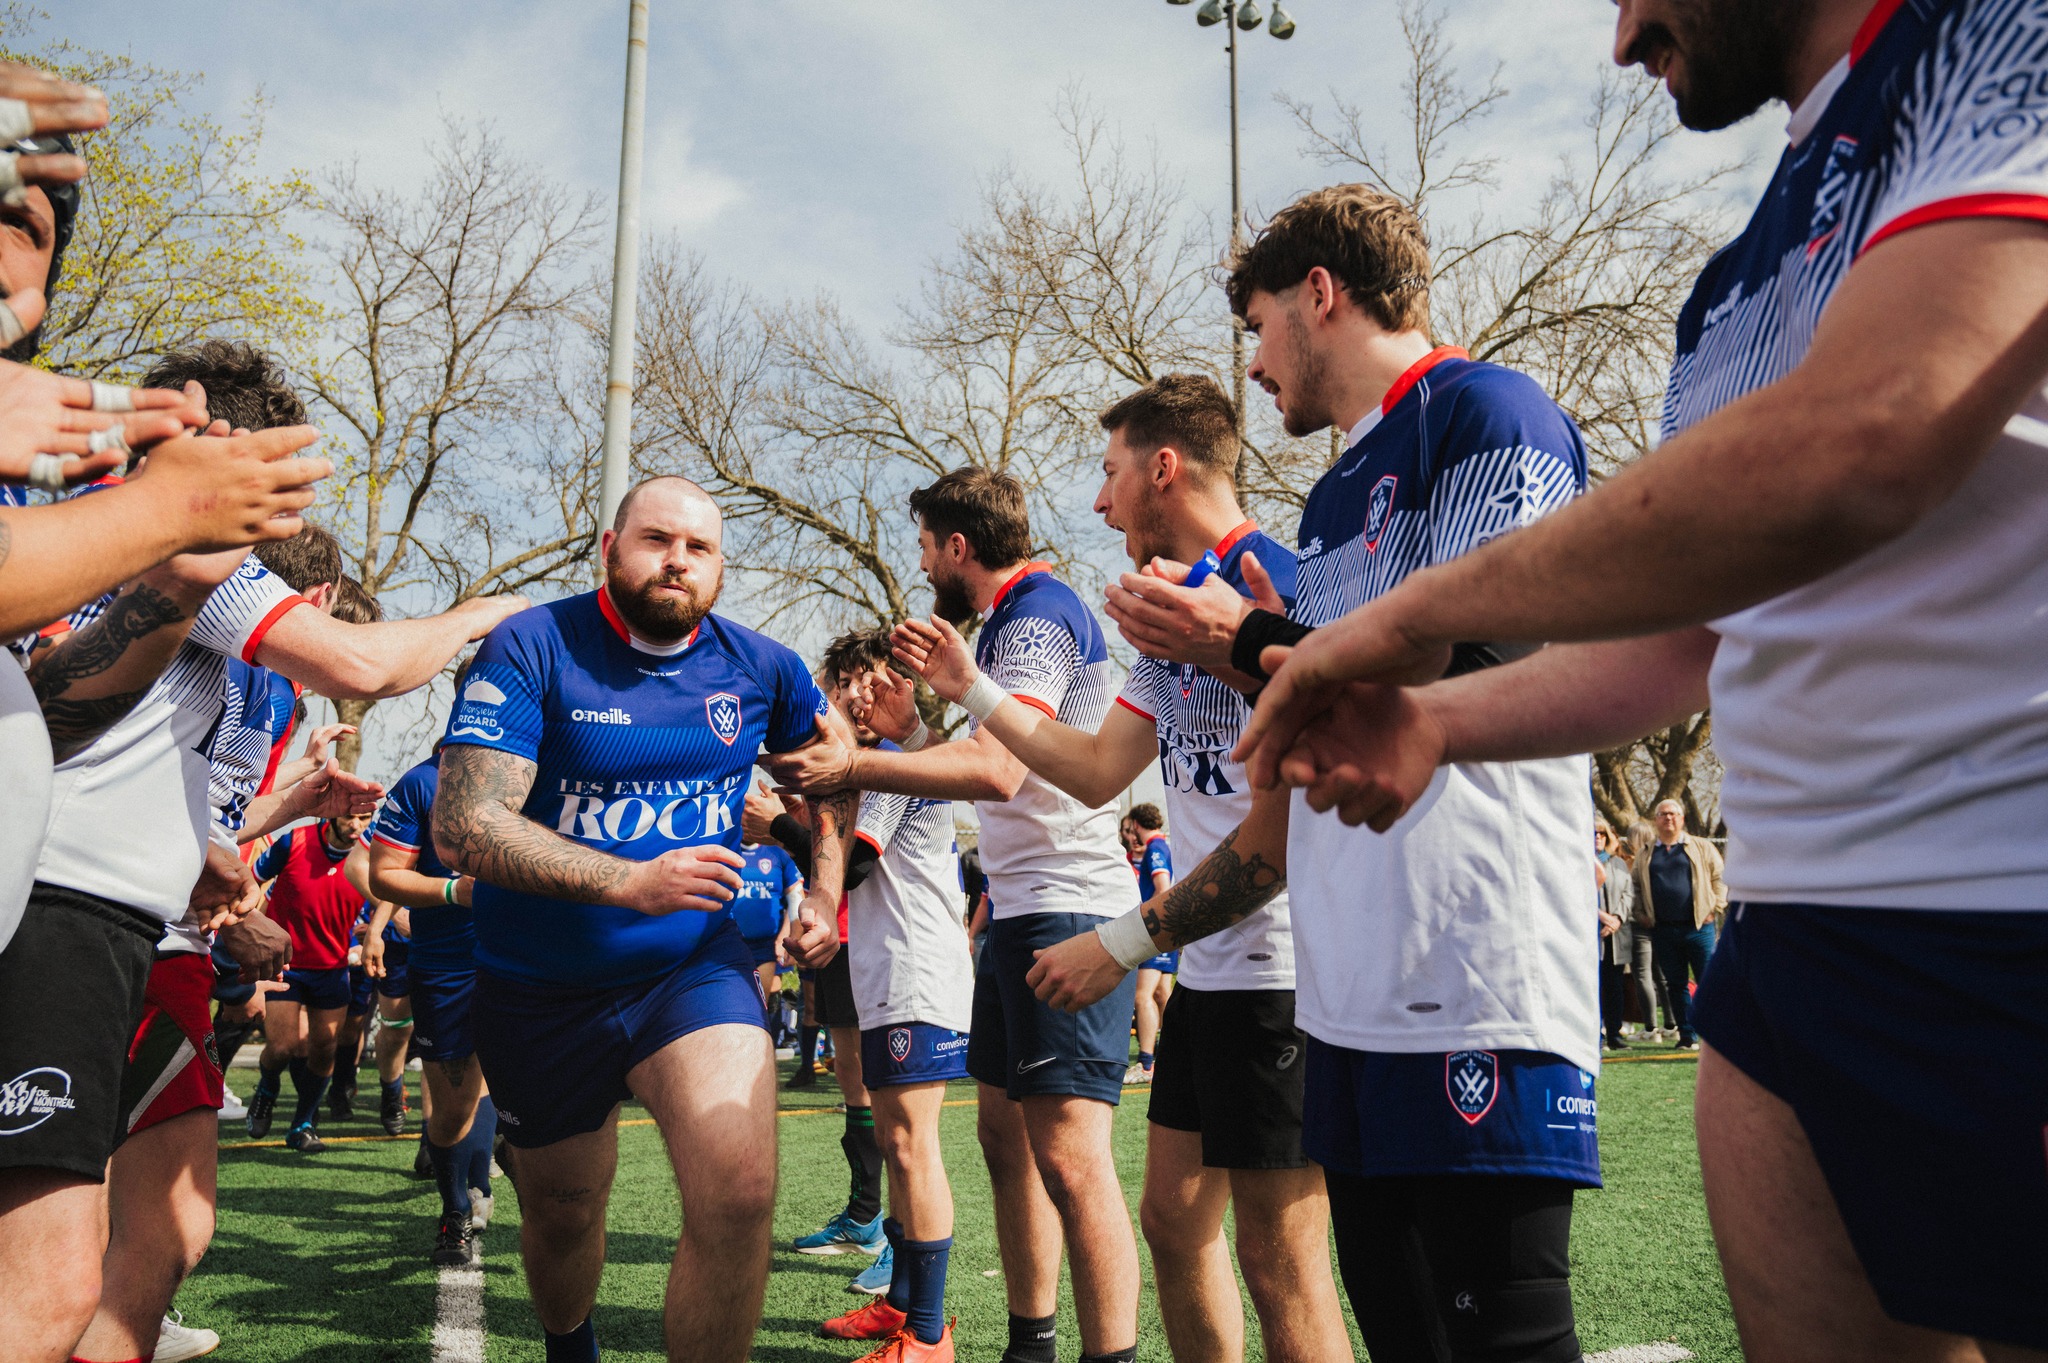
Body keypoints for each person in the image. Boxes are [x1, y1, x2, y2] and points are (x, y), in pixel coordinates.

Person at [1229, 2, 2048, 1355]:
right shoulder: (1729, 281)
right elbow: (1692, 633)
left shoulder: (2000, 33)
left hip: (2005, 917)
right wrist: (1433, 718)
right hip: (1791, 954)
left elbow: (1876, 430)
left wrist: (1396, 622)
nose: (1622, 40)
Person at [1038, 187, 1602, 1363]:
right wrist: (1249, 668)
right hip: (1351, 993)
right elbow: (1321, 719)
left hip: (1475, 970)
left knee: (1495, 1338)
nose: (1250, 365)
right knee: (1392, 1327)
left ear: (1319, 296)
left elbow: (1469, 652)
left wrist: (1230, 645)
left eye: (1254, 327)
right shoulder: (1340, 487)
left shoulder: (1490, 409)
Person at [889, 375, 1350, 1363]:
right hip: (1210, 969)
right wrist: (968, 685)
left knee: (1281, 1256)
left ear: (1163, 468)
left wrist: (1119, 941)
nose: (1098, 503)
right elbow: (1096, 768)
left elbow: (1286, 834)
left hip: (1286, 969)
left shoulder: (1275, 583)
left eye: (1108, 475)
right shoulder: (1166, 608)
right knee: (1176, 1223)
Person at [430, 475, 857, 1363]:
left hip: (690, 972)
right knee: (561, 1212)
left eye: (699, 548)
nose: (678, 562)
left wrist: (823, 888)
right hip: (537, 989)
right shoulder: (533, 645)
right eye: (658, 539)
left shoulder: (759, 665)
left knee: (740, 1192)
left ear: (721, 567)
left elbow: (833, 771)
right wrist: (628, 882)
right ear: (610, 549)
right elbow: (465, 825)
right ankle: (569, 1348)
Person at [766, 467, 1144, 1363]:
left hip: (1070, 910)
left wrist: (854, 766)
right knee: (1005, 1144)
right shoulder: (1012, 621)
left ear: (958, 547)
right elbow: (996, 757)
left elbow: (997, 771)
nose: (924, 561)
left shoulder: (1039, 612)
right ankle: (1030, 1343)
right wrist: (911, 738)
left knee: (1072, 1162)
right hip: (1018, 916)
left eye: (927, 544)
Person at [362, 743, 499, 1266]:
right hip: (449, 967)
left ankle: (487, 1176)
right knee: (453, 1106)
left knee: (517, 1085)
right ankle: (456, 1207)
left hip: (524, 957)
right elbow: (383, 876)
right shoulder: (422, 783)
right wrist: (453, 892)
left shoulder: (543, 771)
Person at [248, 811, 380, 1153]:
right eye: (351, 817)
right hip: (286, 964)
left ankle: (302, 1125)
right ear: (333, 815)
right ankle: (266, 1089)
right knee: (282, 1047)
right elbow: (252, 880)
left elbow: (386, 899)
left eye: (365, 818)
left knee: (325, 1048)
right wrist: (250, 928)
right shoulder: (295, 842)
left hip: (332, 969)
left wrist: (373, 933)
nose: (357, 826)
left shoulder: (368, 858)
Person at [1628, 800, 1727, 1052]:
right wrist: (1641, 914)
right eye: (1662, 815)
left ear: (1682, 819)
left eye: (1673, 814)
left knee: (1708, 981)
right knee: (1675, 984)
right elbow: (1636, 886)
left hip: (1698, 928)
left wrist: (1715, 907)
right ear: (1656, 820)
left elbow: (1720, 877)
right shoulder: (1647, 852)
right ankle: (1687, 1035)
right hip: (1663, 929)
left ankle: (1718, 1035)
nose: (1668, 818)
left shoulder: (1701, 847)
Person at [1121, 803, 1175, 1085]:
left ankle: (1146, 1064)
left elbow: (1163, 887)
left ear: (1139, 825)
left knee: (1141, 996)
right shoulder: (1164, 845)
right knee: (1162, 995)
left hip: (1157, 930)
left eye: (1132, 829)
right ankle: (1174, 1058)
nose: (1132, 834)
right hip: (1169, 931)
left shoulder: (1155, 848)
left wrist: (1149, 924)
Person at [733, 833, 802, 1032]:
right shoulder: (725, 846)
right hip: (730, 943)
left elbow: (796, 898)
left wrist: (790, 936)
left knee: (762, 1002)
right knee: (735, 1003)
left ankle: (765, 1049)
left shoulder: (777, 854)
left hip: (764, 946)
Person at [1595, 821, 1636, 1051]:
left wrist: (1617, 919)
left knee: (1614, 987)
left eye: (1602, 833)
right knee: (1594, 987)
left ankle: (1614, 1034)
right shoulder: (1579, 862)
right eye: (1593, 833)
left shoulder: (1619, 863)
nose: (1598, 837)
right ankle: (1595, 1036)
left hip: (1616, 935)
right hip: (1593, 934)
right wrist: (1601, 916)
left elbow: (1628, 894)